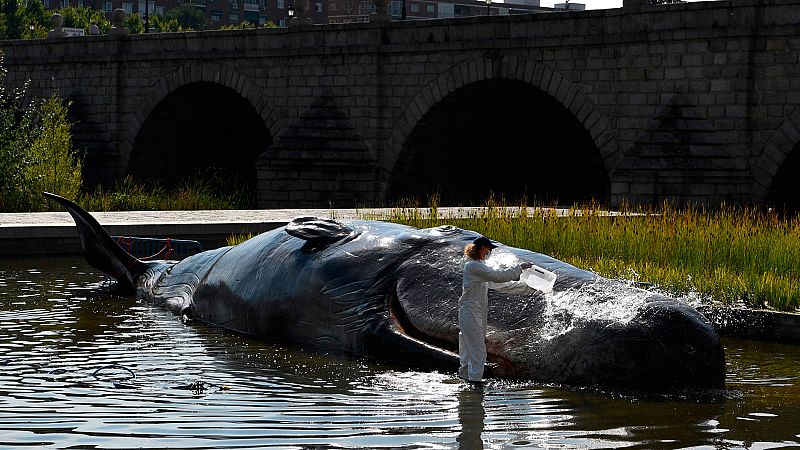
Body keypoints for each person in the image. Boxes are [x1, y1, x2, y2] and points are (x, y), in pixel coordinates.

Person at [458, 236, 532, 382]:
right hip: (470, 314)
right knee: (478, 352)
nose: (489, 252)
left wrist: (528, 288)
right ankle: (475, 387)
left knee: (468, 352)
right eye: (488, 249)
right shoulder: (473, 266)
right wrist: (519, 268)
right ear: (480, 249)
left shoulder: (480, 268)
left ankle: (466, 382)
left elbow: (501, 285)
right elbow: (498, 276)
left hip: (474, 315)